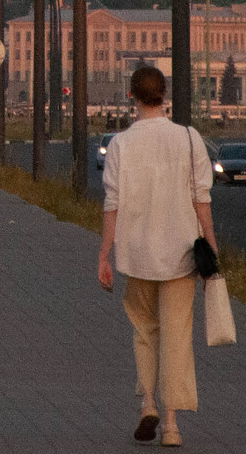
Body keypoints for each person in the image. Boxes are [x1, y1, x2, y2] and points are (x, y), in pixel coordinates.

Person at [98, 66, 215, 448]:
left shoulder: (120, 144)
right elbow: (202, 198)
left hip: (136, 254)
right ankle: (171, 425)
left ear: (132, 95)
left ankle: (147, 401)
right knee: (177, 334)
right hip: (181, 253)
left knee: (145, 331)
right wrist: (210, 247)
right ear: (164, 96)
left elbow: (111, 203)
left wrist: (104, 255)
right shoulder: (189, 138)